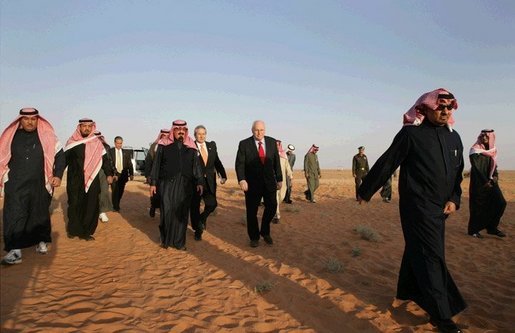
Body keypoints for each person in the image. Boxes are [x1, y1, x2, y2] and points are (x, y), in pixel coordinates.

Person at [357, 88, 466, 333]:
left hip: (441, 208)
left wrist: (454, 198)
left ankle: (405, 291)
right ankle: (441, 314)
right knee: (431, 255)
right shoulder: (411, 135)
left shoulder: (454, 137)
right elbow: (388, 162)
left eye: (449, 107)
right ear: (425, 109)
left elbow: (457, 173)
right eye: (440, 107)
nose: (445, 111)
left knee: (419, 249)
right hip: (417, 206)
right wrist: (366, 191)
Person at [0, 108, 65, 265]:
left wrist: (57, 174)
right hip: (15, 182)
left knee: (39, 212)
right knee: (14, 213)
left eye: (33, 119)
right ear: (20, 120)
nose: (30, 122)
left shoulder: (47, 137)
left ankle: (41, 241)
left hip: (40, 182)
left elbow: (60, 156)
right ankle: (15, 250)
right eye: (26, 119)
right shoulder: (10, 137)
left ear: (38, 120)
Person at [149, 120, 204, 250]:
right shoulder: (163, 145)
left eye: (183, 130)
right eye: (178, 129)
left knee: (182, 214)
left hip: (185, 186)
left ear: (186, 131)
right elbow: (156, 165)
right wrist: (153, 183)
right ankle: (166, 240)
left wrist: (200, 181)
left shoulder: (191, 147)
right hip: (166, 184)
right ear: (173, 130)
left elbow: (196, 166)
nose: (180, 131)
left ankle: (179, 243)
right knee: (167, 212)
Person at [64, 119, 114, 240]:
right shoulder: (72, 142)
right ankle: (74, 230)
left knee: (91, 205)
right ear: (79, 127)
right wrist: (57, 174)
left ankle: (87, 232)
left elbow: (105, 161)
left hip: (93, 180)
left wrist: (109, 174)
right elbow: (63, 160)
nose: (86, 128)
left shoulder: (97, 143)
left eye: (89, 126)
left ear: (92, 127)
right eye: (84, 126)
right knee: (74, 204)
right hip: (75, 179)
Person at [235, 120, 282, 247]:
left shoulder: (272, 142)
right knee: (251, 212)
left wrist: (279, 179)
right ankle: (254, 237)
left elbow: (276, 162)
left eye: (261, 130)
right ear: (252, 130)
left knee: (272, 207)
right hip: (251, 184)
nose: (259, 132)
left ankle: (265, 231)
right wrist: (242, 179)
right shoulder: (244, 144)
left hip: (269, 182)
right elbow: (239, 164)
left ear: (265, 130)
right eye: (256, 130)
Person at [190, 125, 227, 241]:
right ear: (195, 135)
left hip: (210, 181)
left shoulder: (212, 145)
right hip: (196, 182)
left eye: (203, 133)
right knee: (195, 206)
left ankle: (201, 219)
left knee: (212, 204)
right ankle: (197, 230)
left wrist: (223, 174)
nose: (201, 136)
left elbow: (217, 161)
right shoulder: (191, 147)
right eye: (199, 134)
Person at [468, 129, 507, 238]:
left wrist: (495, 177)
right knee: (478, 207)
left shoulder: (493, 151)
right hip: (479, 184)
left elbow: (494, 166)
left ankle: (492, 227)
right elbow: (476, 168)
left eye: (486, 136)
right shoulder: (474, 151)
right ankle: (473, 230)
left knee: (501, 202)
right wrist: (485, 182)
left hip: (492, 182)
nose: (484, 137)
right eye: (482, 135)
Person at [145, 129, 170, 218]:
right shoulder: (154, 146)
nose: (165, 137)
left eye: (167, 135)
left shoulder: (171, 146)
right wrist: (148, 175)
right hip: (155, 175)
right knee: (155, 194)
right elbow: (149, 161)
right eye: (163, 136)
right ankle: (153, 206)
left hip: (166, 176)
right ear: (161, 136)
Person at [94, 131, 115, 223]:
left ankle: (102, 211)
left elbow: (109, 161)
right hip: (90, 172)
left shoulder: (106, 147)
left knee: (103, 192)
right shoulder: (86, 146)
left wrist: (110, 174)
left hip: (103, 172)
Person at [109, 136, 134, 212]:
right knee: (115, 190)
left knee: (120, 191)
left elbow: (130, 164)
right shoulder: (110, 151)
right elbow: (109, 163)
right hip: (114, 174)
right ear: (115, 143)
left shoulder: (126, 152)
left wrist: (131, 173)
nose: (119, 145)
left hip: (123, 175)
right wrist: (112, 173)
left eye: (121, 143)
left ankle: (117, 203)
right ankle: (116, 206)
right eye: (118, 143)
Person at [274, 141, 292, 223]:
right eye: (276, 145)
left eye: (278, 145)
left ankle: (275, 209)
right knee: (276, 198)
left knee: (281, 196)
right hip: (273, 179)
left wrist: (290, 175)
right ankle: (277, 215)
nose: (277, 146)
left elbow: (287, 166)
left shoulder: (284, 156)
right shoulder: (271, 154)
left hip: (283, 180)